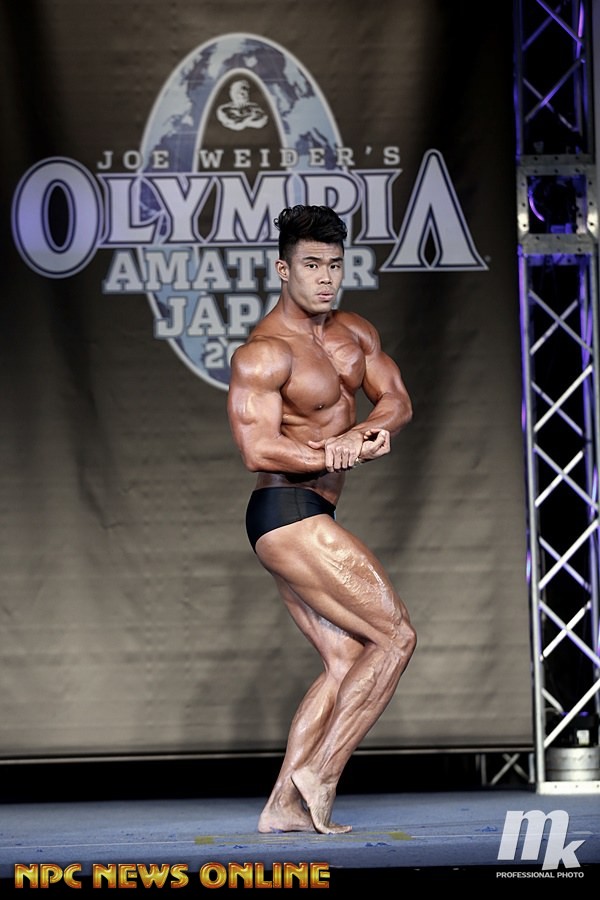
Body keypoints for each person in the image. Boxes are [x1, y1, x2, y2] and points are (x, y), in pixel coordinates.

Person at [227, 205, 417, 835]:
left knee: (346, 659)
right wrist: (329, 452)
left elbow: (396, 400)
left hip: (312, 512)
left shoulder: (355, 333)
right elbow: (257, 448)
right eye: (311, 265)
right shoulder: (264, 354)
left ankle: (282, 805)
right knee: (395, 637)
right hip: (284, 510)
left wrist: (364, 433)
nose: (326, 277)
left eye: (334, 264)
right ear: (284, 270)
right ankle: (322, 773)